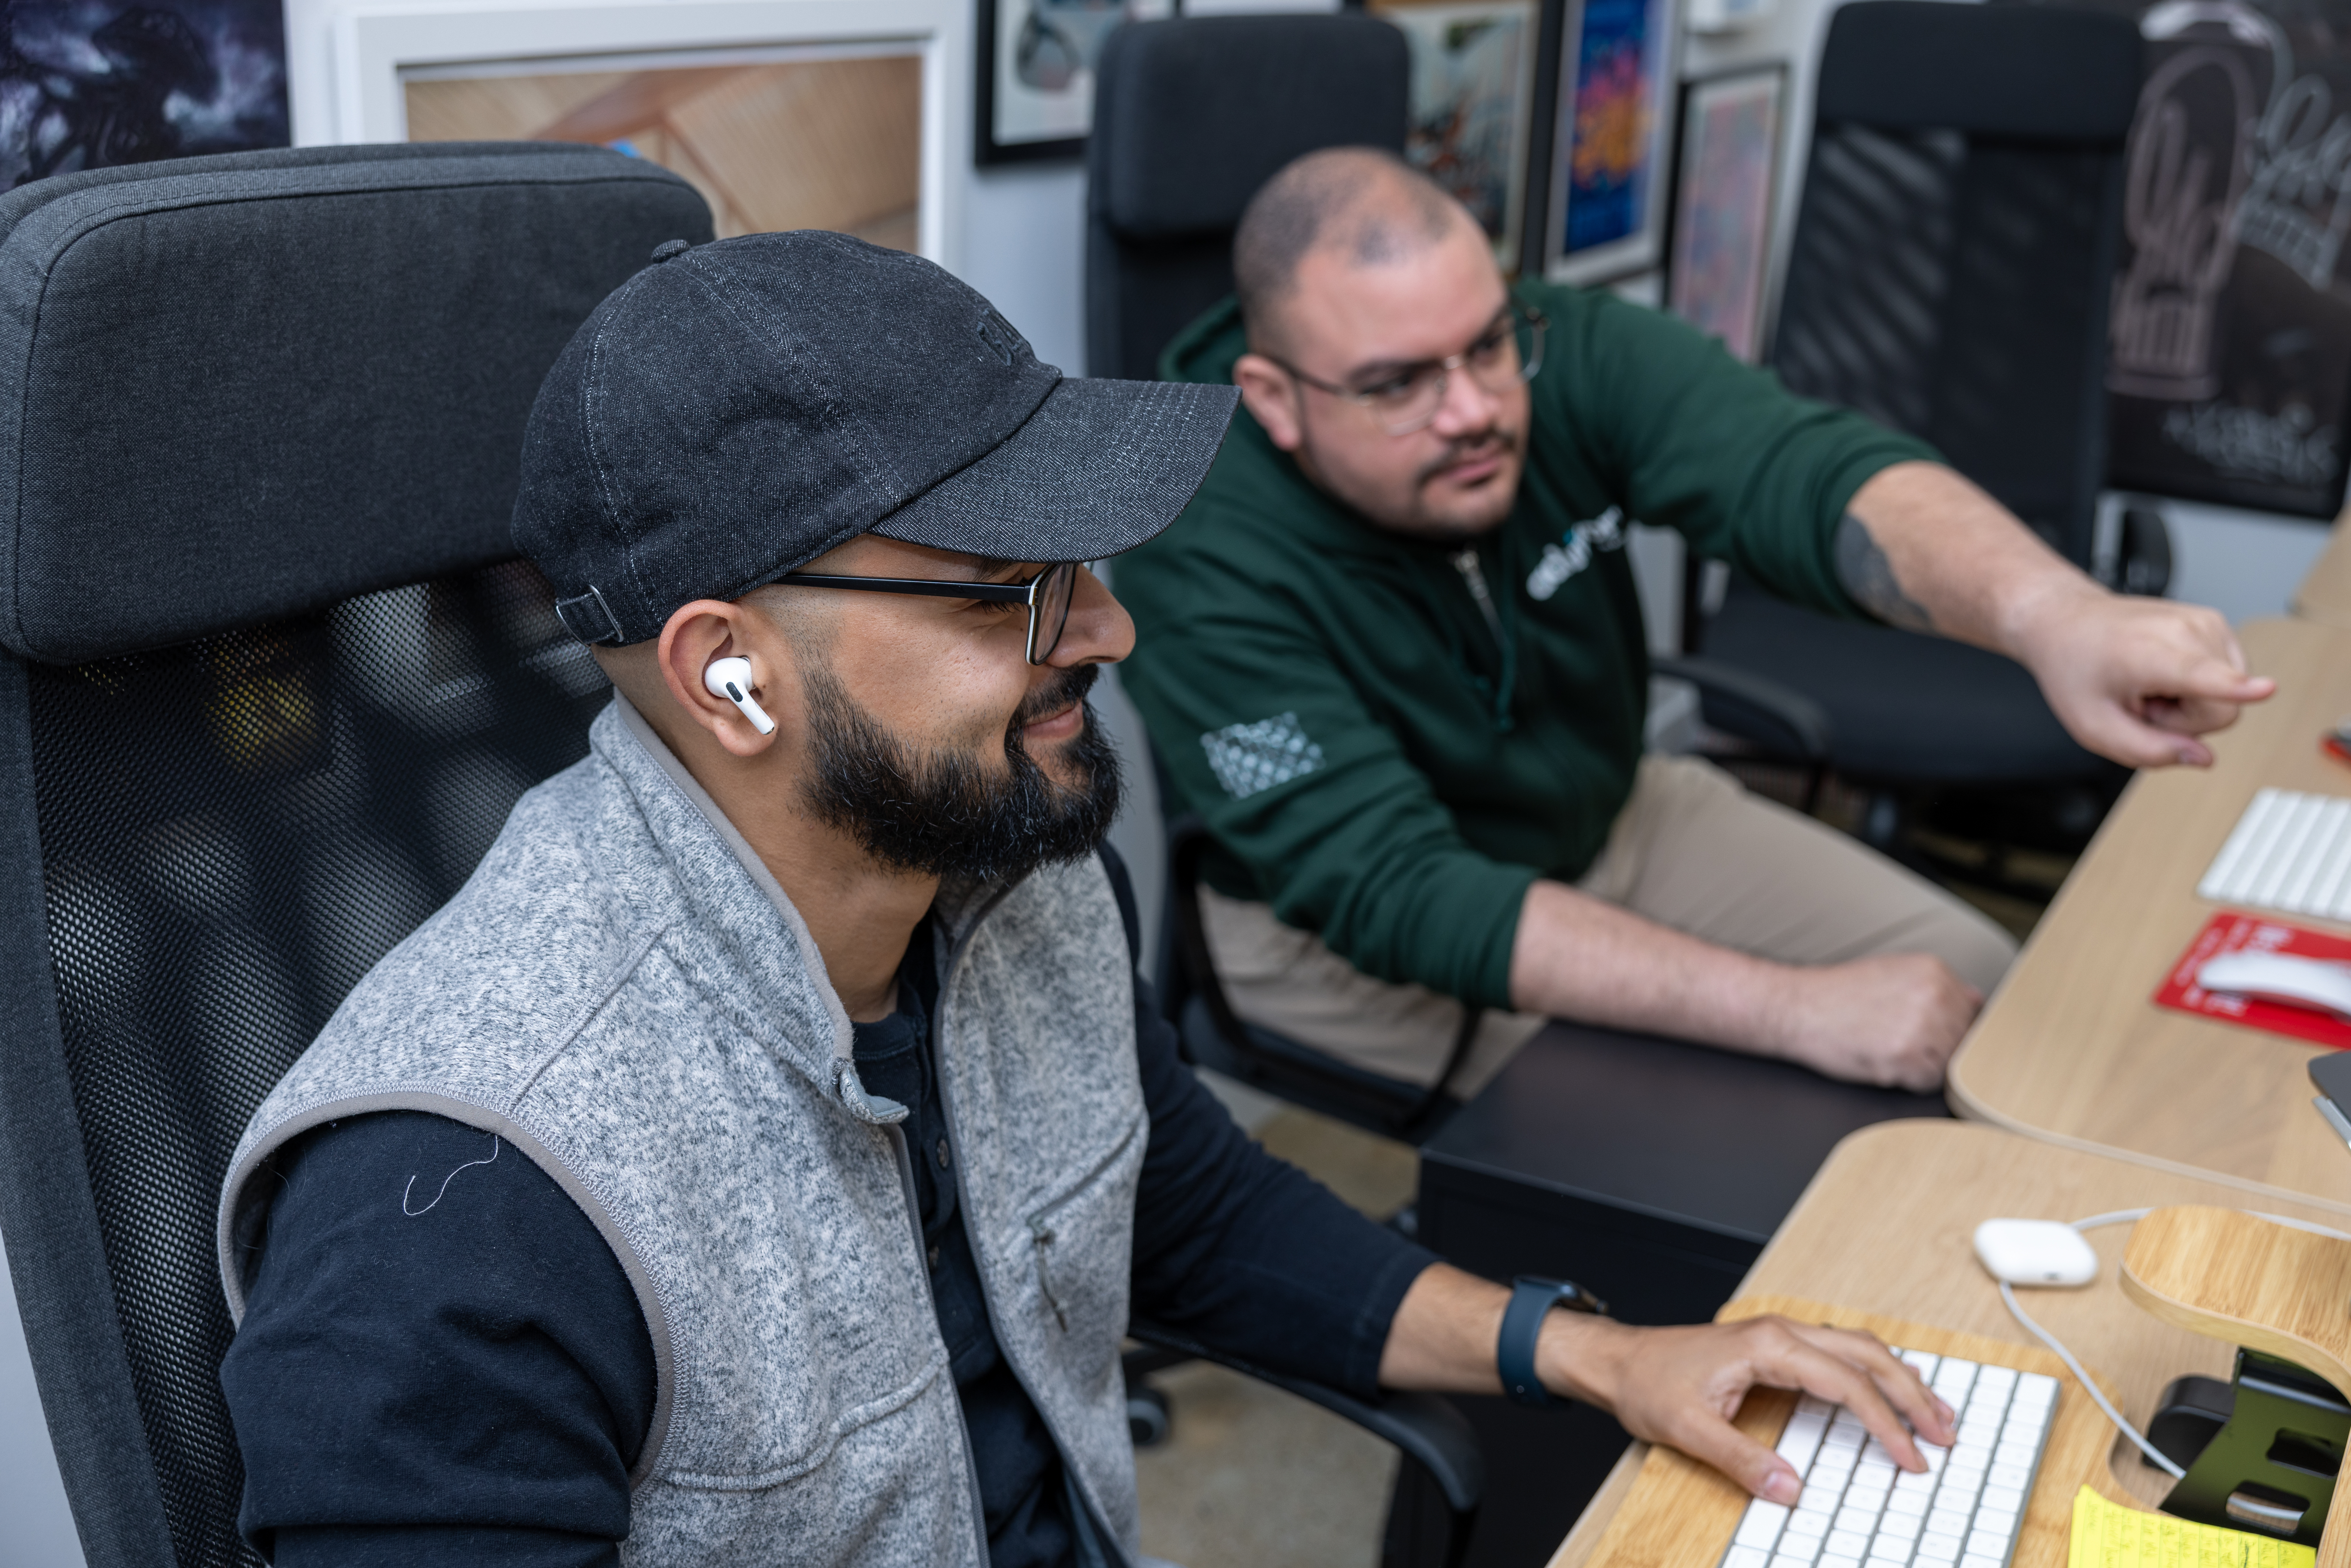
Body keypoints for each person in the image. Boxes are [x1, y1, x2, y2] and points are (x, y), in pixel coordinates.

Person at [214, 231, 1952, 1568]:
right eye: (1007, 599)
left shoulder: (1002, 874)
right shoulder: (461, 1210)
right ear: (729, 677)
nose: (1106, 635)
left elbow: (1185, 1213)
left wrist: (1591, 1353)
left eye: (1085, 573)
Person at [1116, 148, 2275, 1099]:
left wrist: (2052, 615)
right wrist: (1794, 1010)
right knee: (1784, 1115)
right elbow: (1396, 894)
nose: (1472, 409)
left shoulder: (1557, 347)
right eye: (1397, 385)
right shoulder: (1196, 544)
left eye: (1484, 344)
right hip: (1357, 938)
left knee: (1981, 994)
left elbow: (1798, 471)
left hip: (1613, 814)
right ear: (1274, 397)